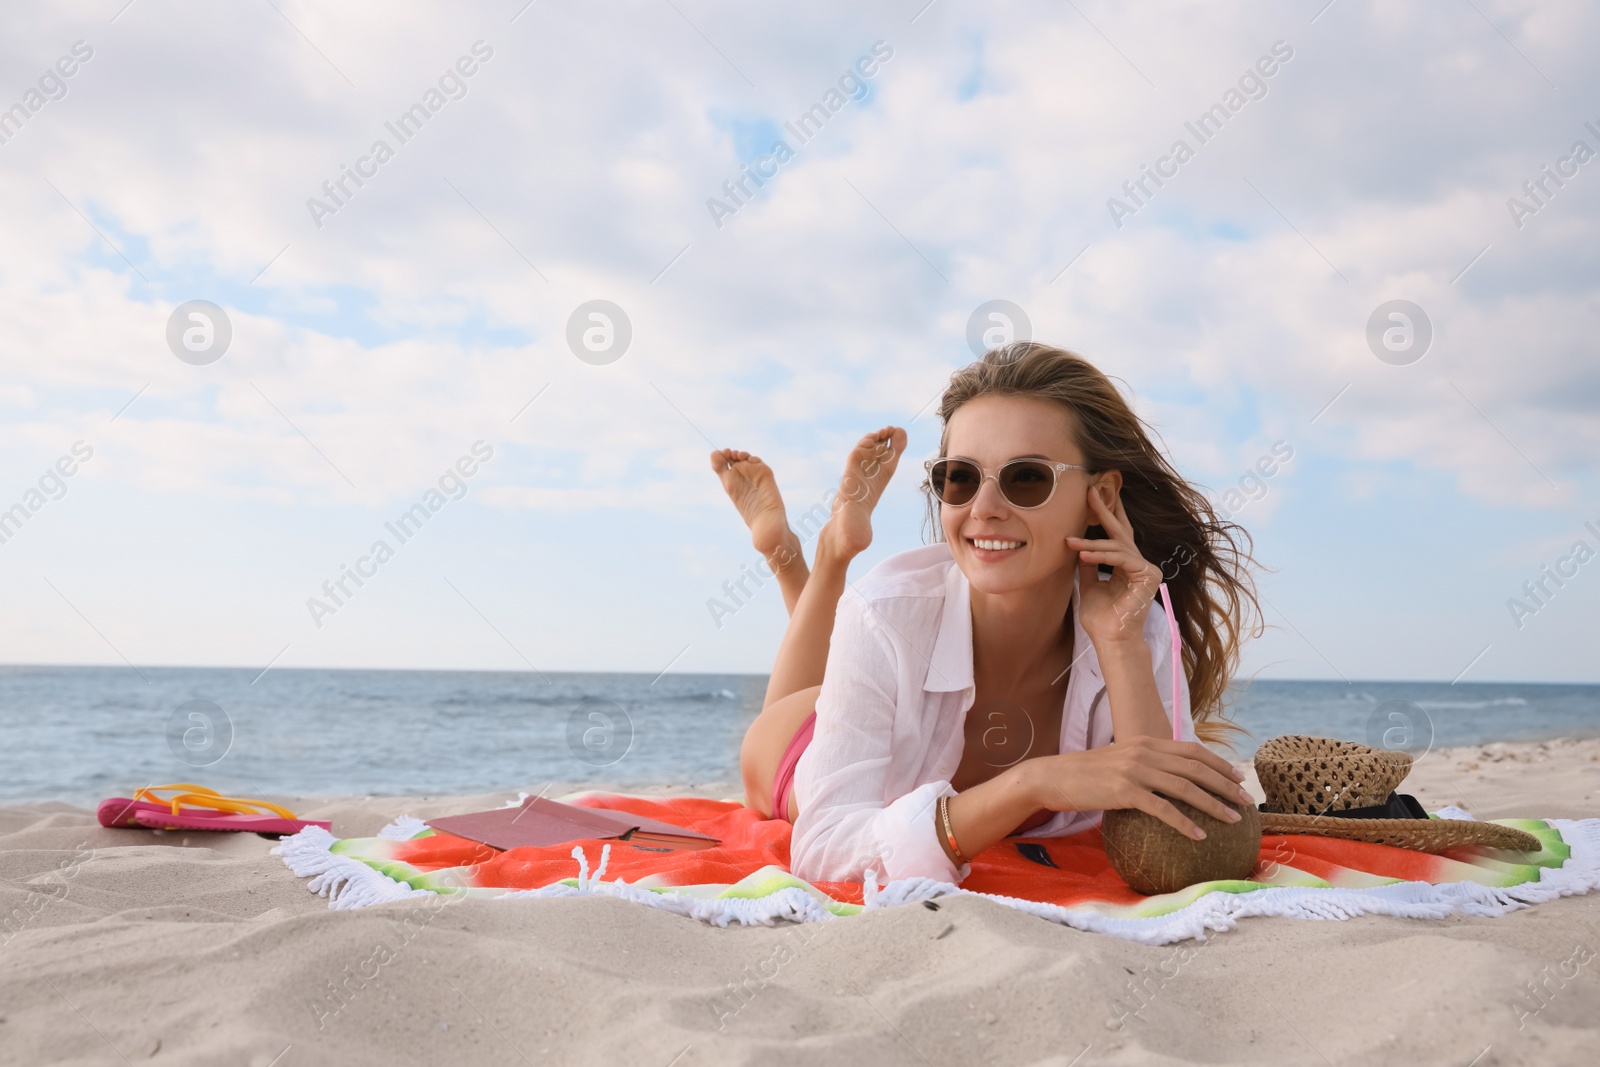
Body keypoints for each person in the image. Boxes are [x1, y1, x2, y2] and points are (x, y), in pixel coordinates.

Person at [710, 341, 1261, 884]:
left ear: (1103, 496)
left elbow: (1176, 836)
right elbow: (825, 848)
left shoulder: (1135, 623)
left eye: (1027, 478)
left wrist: (1120, 645)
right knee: (795, 696)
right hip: (795, 740)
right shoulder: (887, 611)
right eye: (961, 477)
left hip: (879, 680)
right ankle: (826, 553)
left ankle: (811, 558)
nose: (985, 509)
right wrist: (1033, 783)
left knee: (852, 641)